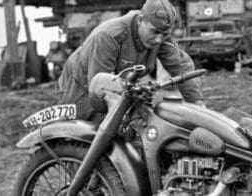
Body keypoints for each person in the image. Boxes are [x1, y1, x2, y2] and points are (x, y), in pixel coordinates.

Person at [57, 0, 204, 121]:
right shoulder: (110, 36)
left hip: (119, 85)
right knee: (85, 137)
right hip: (80, 87)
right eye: (155, 32)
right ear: (140, 20)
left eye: (165, 34)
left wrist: (199, 107)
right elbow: (100, 86)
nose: (159, 39)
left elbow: (180, 68)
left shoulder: (162, 38)